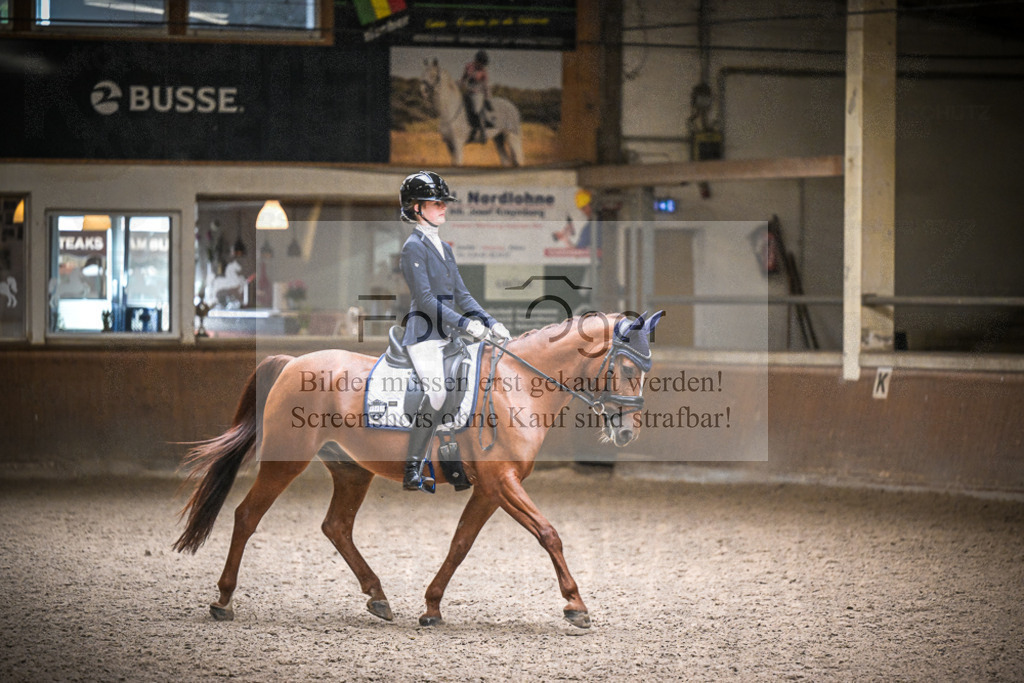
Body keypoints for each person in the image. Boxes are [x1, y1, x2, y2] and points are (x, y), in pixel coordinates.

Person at [398, 171, 510, 492]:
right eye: (436, 203)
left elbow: (462, 294)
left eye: (443, 202)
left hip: (449, 338)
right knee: (436, 392)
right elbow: (425, 299)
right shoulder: (412, 248)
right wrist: (464, 324)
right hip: (424, 337)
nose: (443, 207)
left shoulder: (445, 248)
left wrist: (490, 321)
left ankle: (457, 455)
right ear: (417, 208)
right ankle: (412, 466)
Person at [460, 50, 491, 144]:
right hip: (468, 92)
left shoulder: (483, 72)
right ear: (477, 60)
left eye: (483, 64)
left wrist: (487, 98)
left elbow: (486, 86)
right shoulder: (468, 66)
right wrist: (459, 85)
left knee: (476, 110)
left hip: (478, 94)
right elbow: (463, 78)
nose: (482, 65)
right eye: (481, 63)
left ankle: (482, 132)